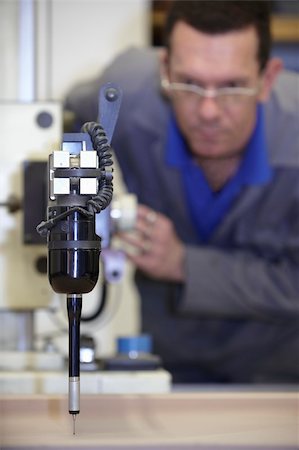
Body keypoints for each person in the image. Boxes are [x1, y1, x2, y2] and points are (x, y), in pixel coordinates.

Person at [64, 1, 299, 383]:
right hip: (167, 366)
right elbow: (64, 120)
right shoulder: (124, 97)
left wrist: (183, 264)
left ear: (267, 79)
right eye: (189, 83)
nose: (208, 111)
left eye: (232, 86)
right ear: (165, 69)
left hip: (281, 374)